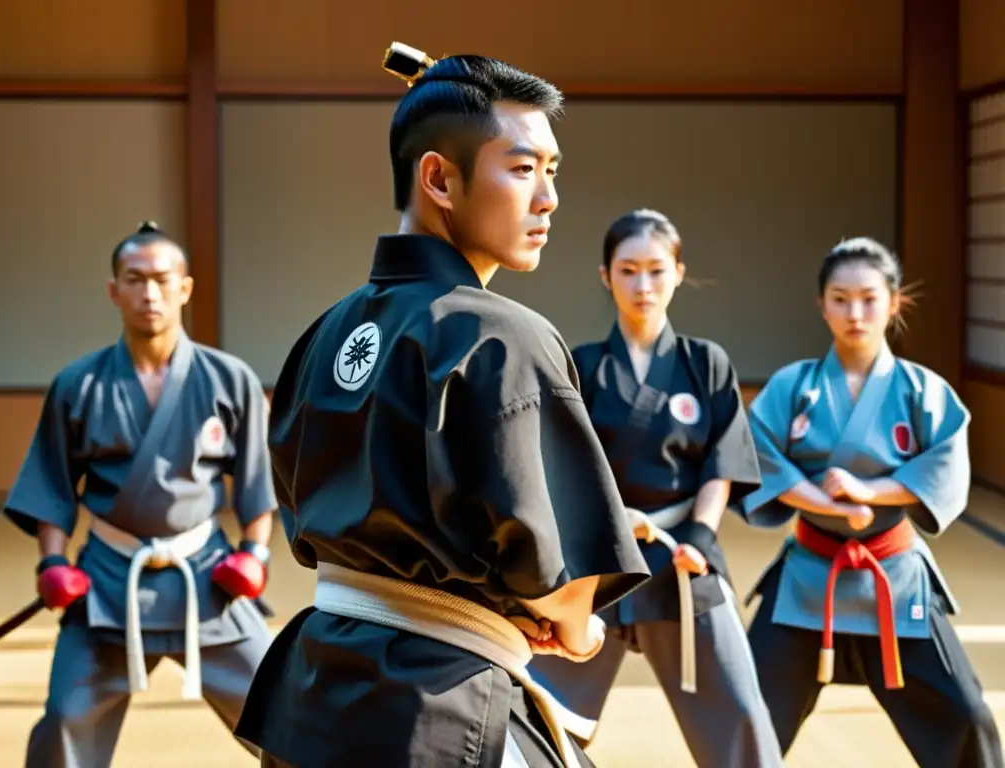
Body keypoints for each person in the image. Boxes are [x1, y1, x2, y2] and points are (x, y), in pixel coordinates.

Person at [232, 42, 652, 768]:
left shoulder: (325, 331)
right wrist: (573, 627)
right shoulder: (504, 336)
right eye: (523, 169)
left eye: (552, 173)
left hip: (320, 685)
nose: (548, 198)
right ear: (440, 180)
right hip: (437, 704)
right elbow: (563, 579)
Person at [1, 221, 280, 768]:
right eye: (134, 279)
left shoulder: (230, 378)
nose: (149, 293)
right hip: (107, 578)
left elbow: (256, 484)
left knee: (286, 715)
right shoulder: (78, 383)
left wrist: (256, 553)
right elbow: (51, 485)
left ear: (185, 288)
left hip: (206, 574)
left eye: (161, 278)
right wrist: (51, 563)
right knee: (64, 719)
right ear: (114, 290)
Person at [526, 209, 783, 767]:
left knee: (739, 716)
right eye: (629, 271)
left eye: (657, 271)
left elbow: (724, 461)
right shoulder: (583, 366)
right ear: (606, 276)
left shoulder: (705, 364)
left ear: (678, 272)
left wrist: (698, 535)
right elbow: (560, 467)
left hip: (681, 559)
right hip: (600, 563)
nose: (643, 286)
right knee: (533, 708)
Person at [740, 237, 1004, 767]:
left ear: (894, 301)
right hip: (808, 578)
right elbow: (757, 455)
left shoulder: (921, 390)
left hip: (895, 576)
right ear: (822, 305)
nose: (855, 313)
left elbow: (945, 466)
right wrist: (825, 501)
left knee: (968, 717)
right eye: (840, 299)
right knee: (746, 717)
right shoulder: (795, 386)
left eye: (868, 298)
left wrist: (869, 493)